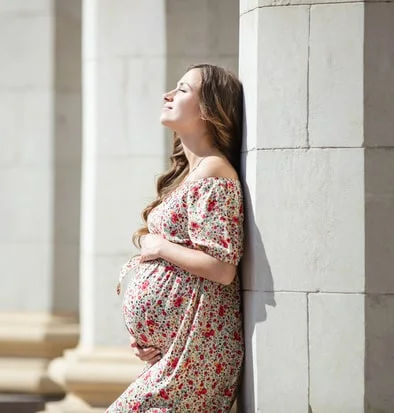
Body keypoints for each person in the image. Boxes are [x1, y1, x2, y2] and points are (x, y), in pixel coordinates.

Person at [107, 64, 245, 412]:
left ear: (208, 110)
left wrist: (159, 246)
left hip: (197, 355)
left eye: (183, 90)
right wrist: (147, 336)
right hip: (174, 353)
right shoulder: (191, 173)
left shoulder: (214, 172)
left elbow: (222, 267)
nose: (167, 95)